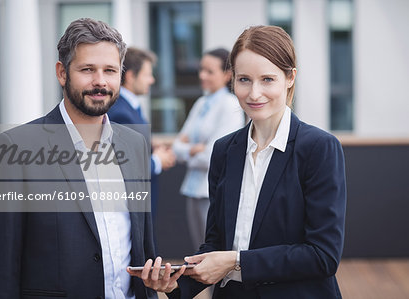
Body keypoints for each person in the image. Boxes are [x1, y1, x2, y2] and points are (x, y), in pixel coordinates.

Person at [130, 25, 347, 299]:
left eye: (267, 79)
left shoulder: (319, 148)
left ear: (290, 78)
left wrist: (237, 261)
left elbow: (323, 255)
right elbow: (216, 243)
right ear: (232, 80)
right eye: (244, 80)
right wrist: (176, 283)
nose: (254, 93)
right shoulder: (224, 150)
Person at [0, 18, 157, 299]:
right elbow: (2, 263)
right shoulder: (16, 147)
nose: (100, 81)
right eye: (87, 69)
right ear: (62, 73)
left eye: (110, 70)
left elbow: (143, 245)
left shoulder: (135, 143)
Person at [172, 48, 245, 251]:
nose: (202, 75)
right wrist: (191, 150)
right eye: (201, 69)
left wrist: (190, 150)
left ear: (227, 75)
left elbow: (214, 155)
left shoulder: (230, 105)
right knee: (199, 252)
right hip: (192, 189)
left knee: (214, 253)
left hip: (212, 192)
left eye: (209, 71)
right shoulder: (200, 103)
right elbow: (176, 147)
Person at [107, 47, 176, 222]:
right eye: (147, 74)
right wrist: (158, 160)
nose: (152, 80)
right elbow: (126, 166)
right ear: (130, 76)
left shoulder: (131, 106)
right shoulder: (120, 112)